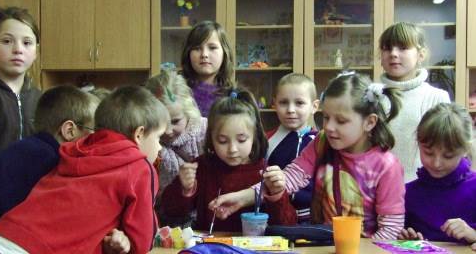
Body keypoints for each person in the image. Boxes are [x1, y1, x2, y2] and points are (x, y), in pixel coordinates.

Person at [0, 86, 170, 254]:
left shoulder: (70, 153)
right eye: (159, 138)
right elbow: (143, 242)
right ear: (139, 134)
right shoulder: (140, 167)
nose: (160, 147)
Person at [212, 72, 405, 239]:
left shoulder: (387, 166)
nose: (329, 127)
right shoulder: (322, 142)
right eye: (326, 117)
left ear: (369, 122)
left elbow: (391, 229)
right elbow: (288, 179)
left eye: (341, 121)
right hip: (322, 244)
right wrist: (240, 198)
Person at [0, 85, 98, 241]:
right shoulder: (45, 160)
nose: (97, 140)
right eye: (94, 131)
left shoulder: (31, 147)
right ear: (69, 131)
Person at [159, 88, 288, 232]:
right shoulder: (202, 166)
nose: (232, 149)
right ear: (211, 139)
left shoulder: (264, 171)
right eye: (222, 141)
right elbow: (170, 211)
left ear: (254, 136)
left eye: (241, 140)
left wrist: (277, 195)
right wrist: (185, 189)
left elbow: (286, 225)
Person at [398, 103, 476, 251]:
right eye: (428, 153)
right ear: (419, 144)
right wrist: (408, 240)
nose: (436, 163)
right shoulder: (408, 193)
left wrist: (472, 234)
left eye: (448, 156)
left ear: (465, 149)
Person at [379, 22, 450, 182]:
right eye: (387, 48)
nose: (393, 54)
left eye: (403, 48)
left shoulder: (437, 97)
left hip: (423, 190)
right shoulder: (371, 96)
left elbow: (445, 150)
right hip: (376, 191)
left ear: (421, 54)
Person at [0, 7, 42, 165]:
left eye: (27, 43)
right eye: (7, 41)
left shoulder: (40, 99)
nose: (18, 49)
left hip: (32, 188)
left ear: (35, 53)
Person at [144, 70, 207, 228]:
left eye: (175, 121)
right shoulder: (147, 142)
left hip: (204, 220)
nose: (168, 130)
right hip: (166, 222)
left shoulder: (207, 131)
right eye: (161, 122)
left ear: (188, 112)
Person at [265, 73, 319, 224]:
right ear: (274, 104)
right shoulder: (266, 140)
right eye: (283, 103)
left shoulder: (321, 142)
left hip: (312, 219)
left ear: (314, 106)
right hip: (274, 216)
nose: (290, 110)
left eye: (299, 103)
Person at [181, 20, 235, 116]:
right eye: (197, 48)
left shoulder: (235, 96)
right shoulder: (176, 93)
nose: (204, 55)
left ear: (225, 52)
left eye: (212, 48)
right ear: (188, 53)